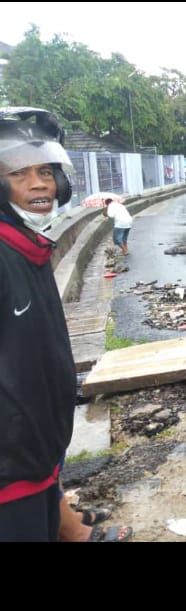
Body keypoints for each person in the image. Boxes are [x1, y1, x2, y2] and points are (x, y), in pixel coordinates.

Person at [0, 106, 77, 542]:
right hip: (10, 476)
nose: (39, 183)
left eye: (45, 171)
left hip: (41, 459)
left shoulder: (30, 248)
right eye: (19, 173)